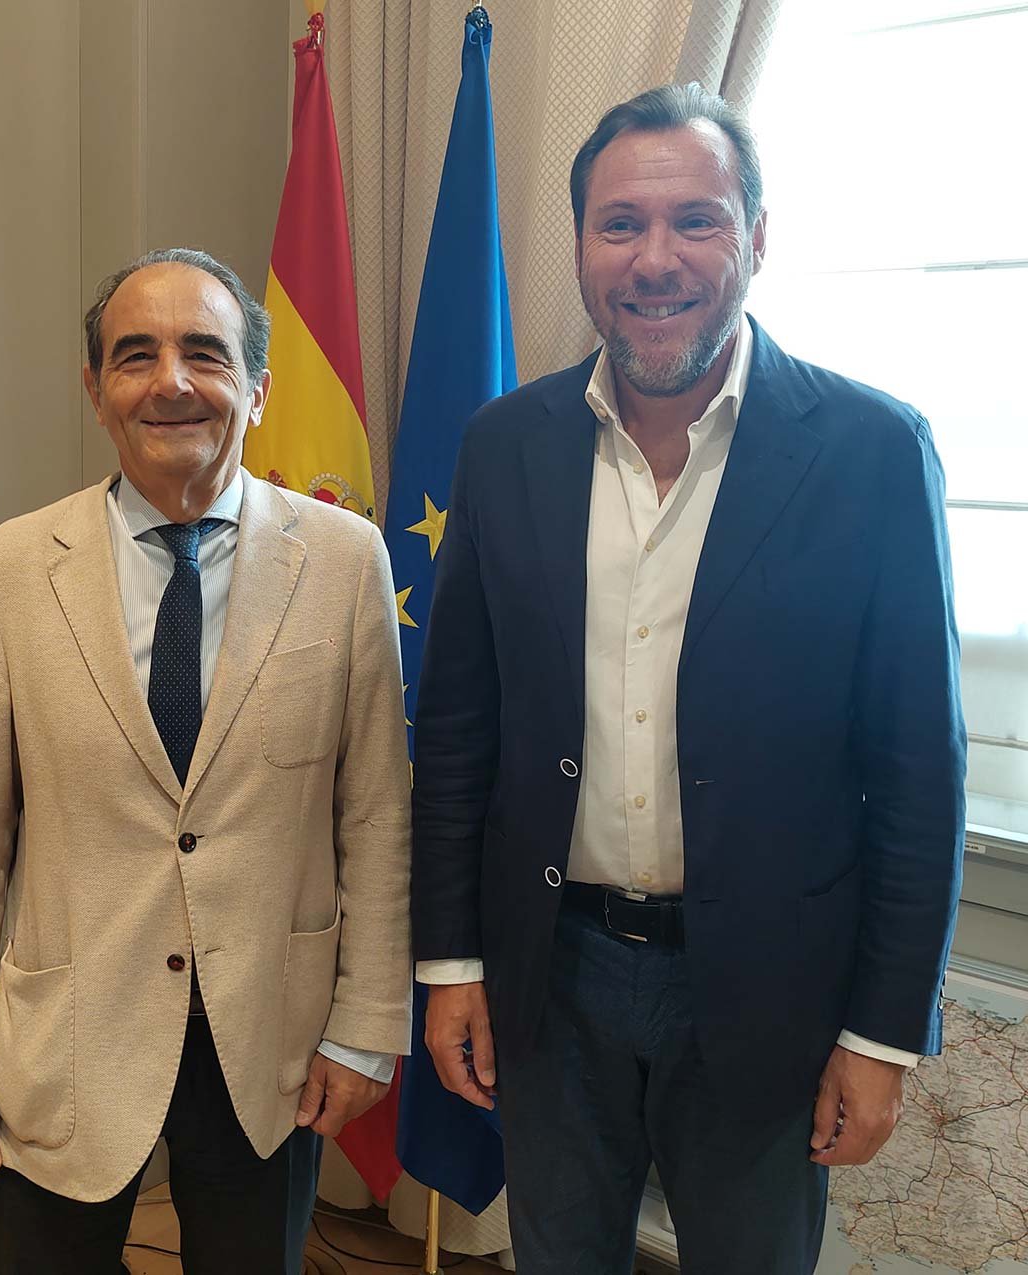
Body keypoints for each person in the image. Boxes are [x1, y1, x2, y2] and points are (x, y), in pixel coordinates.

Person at [411, 84, 964, 1274]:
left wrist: (881, 1035)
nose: (655, 259)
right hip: (550, 978)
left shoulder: (873, 452)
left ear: (755, 238)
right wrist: (450, 966)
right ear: (579, 248)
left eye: (695, 220)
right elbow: (457, 734)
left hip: (771, 993)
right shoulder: (504, 447)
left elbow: (920, 773)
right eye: (620, 224)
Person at [0, 248, 412, 1275]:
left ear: (258, 389)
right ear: (96, 391)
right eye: (136, 356)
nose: (171, 381)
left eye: (205, 354)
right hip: (65, 1043)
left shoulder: (346, 561)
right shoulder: (9, 573)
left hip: (269, 1043)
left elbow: (376, 821)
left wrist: (365, 1028)